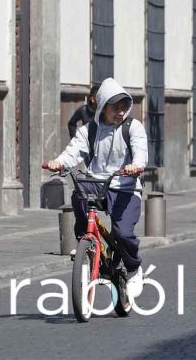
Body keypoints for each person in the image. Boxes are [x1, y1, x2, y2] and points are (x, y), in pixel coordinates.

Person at [45, 77, 148, 298]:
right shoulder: (89, 130)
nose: (121, 112)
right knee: (79, 194)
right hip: (97, 181)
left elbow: (141, 152)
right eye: (115, 108)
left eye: (124, 108)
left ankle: (133, 269)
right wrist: (60, 162)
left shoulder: (133, 127)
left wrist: (136, 166)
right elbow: (73, 151)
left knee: (123, 233)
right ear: (102, 107)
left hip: (126, 186)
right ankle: (85, 239)